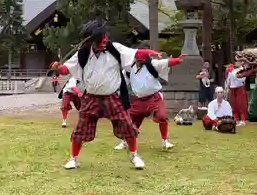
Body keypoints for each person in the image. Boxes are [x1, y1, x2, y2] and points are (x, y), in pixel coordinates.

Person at [49, 19, 160, 170]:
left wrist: (149, 53)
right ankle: (73, 159)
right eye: (100, 39)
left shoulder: (115, 49)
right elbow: (66, 69)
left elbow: (135, 54)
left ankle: (134, 155)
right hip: (90, 97)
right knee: (80, 129)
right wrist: (58, 68)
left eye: (105, 37)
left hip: (112, 97)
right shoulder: (83, 52)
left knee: (127, 126)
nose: (104, 40)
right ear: (91, 41)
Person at [113, 53, 185, 151]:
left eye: (142, 60)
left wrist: (177, 60)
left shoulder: (152, 64)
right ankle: (125, 142)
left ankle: (165, 141)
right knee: (131, 122)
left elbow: (163, 63)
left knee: (161, 117)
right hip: (139, 99)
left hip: (154, 97)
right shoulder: (129, 69)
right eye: (137, 60)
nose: (139, 62)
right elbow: (121, 81)